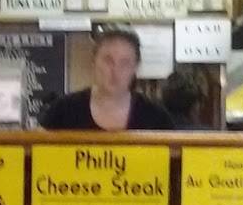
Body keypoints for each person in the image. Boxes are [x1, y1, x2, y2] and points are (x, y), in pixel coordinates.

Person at [39, 27, 173, 131]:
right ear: (94, 61)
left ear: (135, 68)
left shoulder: (157, 117)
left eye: (125, 63)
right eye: (108, 61)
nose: (115, 70)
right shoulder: (63, 111)